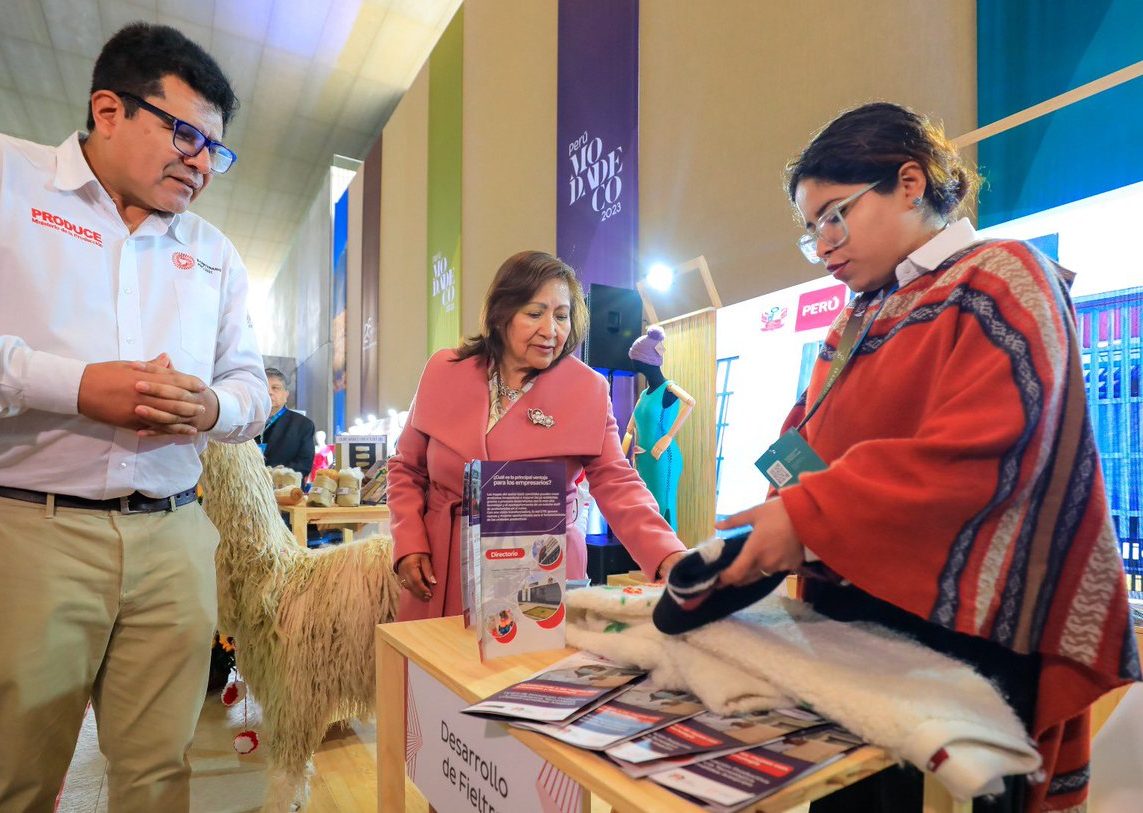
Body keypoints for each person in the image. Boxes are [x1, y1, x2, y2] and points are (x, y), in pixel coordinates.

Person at [715, 102, 1139, 811]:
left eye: (834, 215)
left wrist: (809, 515)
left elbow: (987, 451)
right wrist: (775, 521)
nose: (824, 245)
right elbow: (805, 443)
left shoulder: (1004, 277)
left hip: (962, 634)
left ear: (910, 183)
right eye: (811, 230)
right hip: (854, 626)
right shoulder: (856, 319)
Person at [0, 23, 269, 813]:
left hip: (174, 533)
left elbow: (250, 385)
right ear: (109, 110)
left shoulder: (214, 252)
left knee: (160, 776)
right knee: (7, 781)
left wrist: (214, 405)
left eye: (216, 151)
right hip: (23, 528)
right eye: (186, 135)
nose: (202, 163)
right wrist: (77, 386)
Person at [388, 251, 687, 620]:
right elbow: (406, 468)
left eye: (561, 316)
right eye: (534, 314)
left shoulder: (588, 389)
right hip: (442, 567)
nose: (551, 330)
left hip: (540, 568)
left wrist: (667, 552)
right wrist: (409, 541)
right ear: (500, 314)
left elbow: (616, 481)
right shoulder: (444, 369)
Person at [621, 325, 695, 531]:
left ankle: (670, 549)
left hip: (662, 457)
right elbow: (629, 430)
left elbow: (691, 402)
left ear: (645, 360)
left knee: (664, 507)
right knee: (647, 510)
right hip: (642, 459)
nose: (632, 361)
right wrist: (622, 457)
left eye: (636, 356)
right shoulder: (644, 395)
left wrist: (668, 436)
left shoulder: (669, 388)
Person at [258, 368, 316, 483]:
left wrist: (270, 475)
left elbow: (304, 465)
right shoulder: (246, 423)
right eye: (264, 388)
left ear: (286, 395)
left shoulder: (302, 425)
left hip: (285, 489)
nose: (269, 392)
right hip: (249, 489)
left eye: (275, 388)